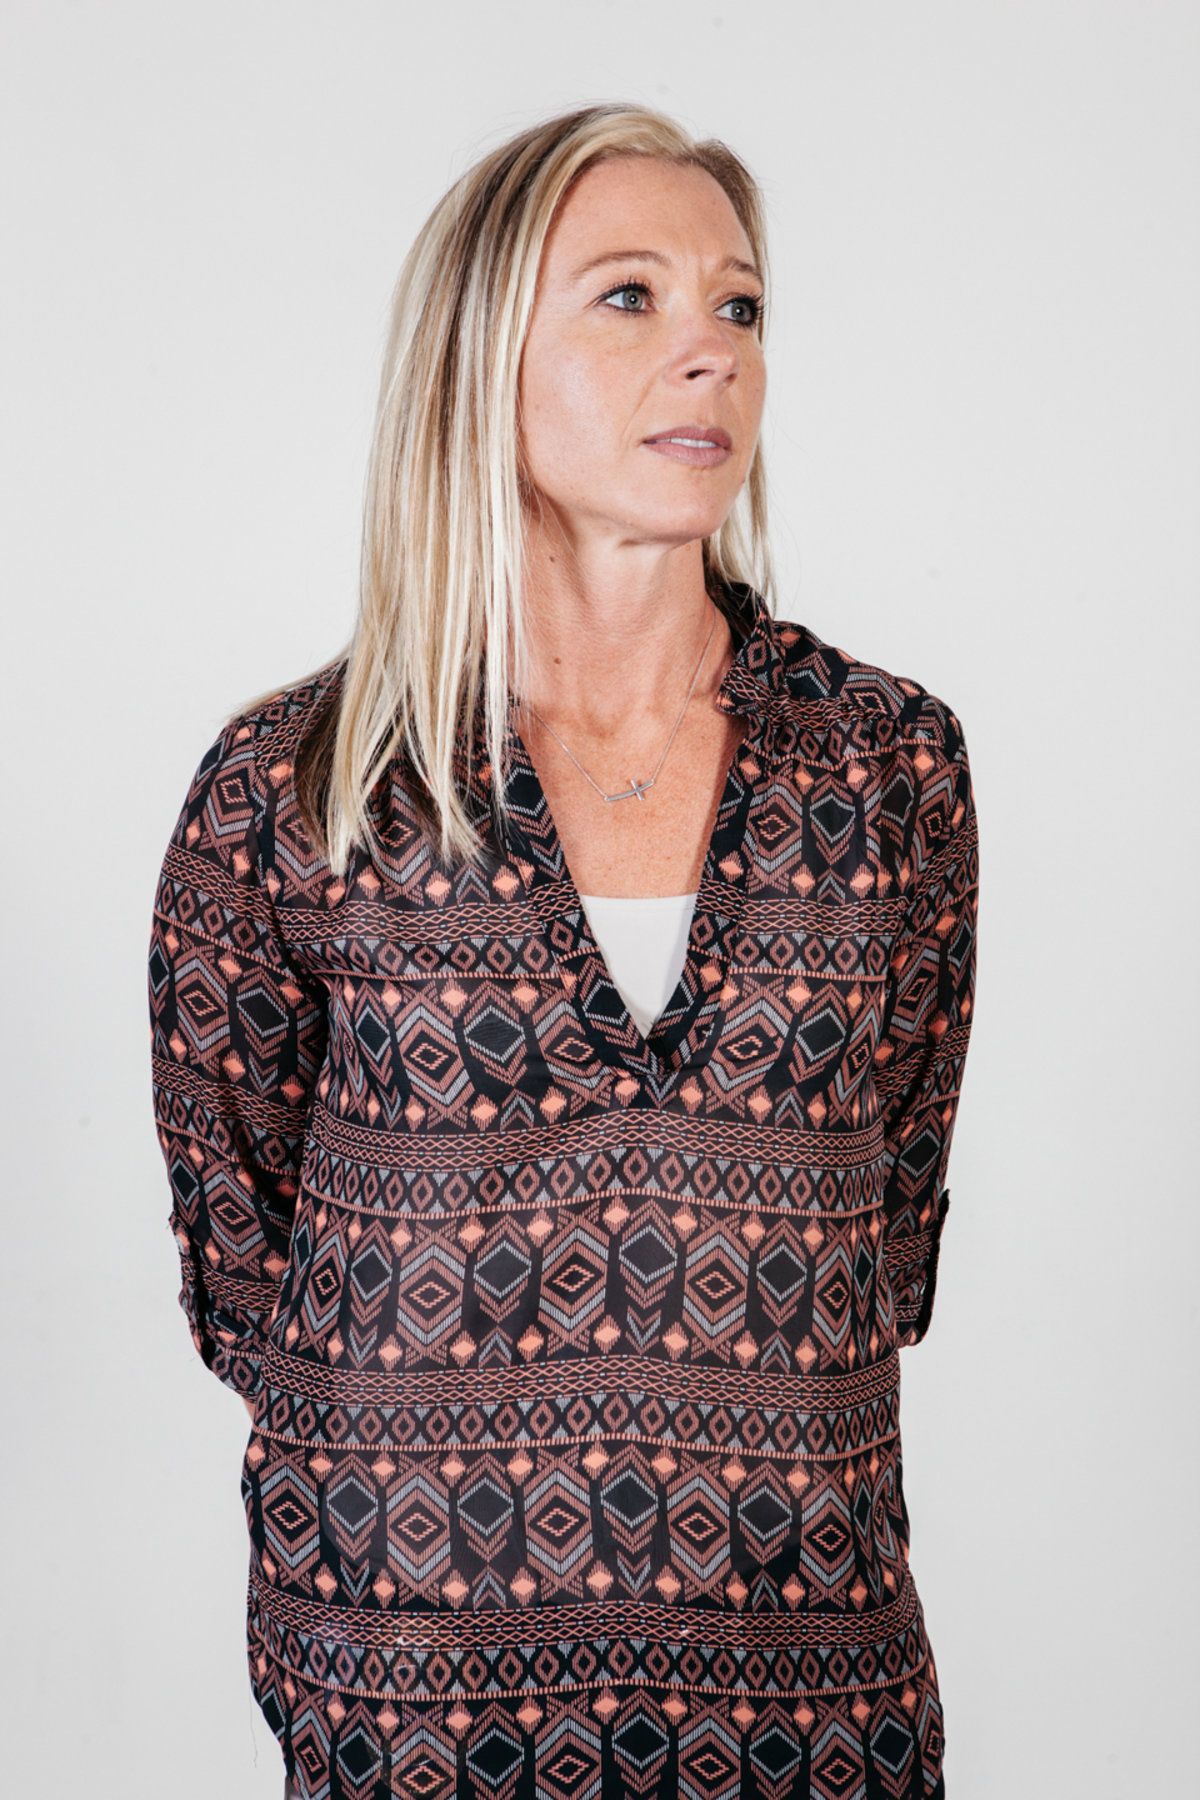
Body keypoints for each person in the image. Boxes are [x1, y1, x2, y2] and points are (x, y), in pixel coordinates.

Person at [148, 101, 977, 1800]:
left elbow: (886, 1228)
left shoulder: (885, 766)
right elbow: (249, 1258)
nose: (711, 350)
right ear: (479, 358)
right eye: (630, 296)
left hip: (807, 1681)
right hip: (410, 1687)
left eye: (739, 305)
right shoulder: (298, 787)